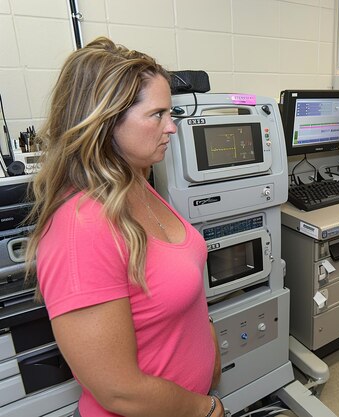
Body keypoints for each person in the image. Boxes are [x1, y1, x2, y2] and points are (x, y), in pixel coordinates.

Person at [25, 37, 223, 417]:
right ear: (105, 121)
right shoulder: (80, 227)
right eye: (157, 115)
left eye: (172, 114)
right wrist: (206, 408)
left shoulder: (136, 184)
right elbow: (120, 392)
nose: (172, 128)